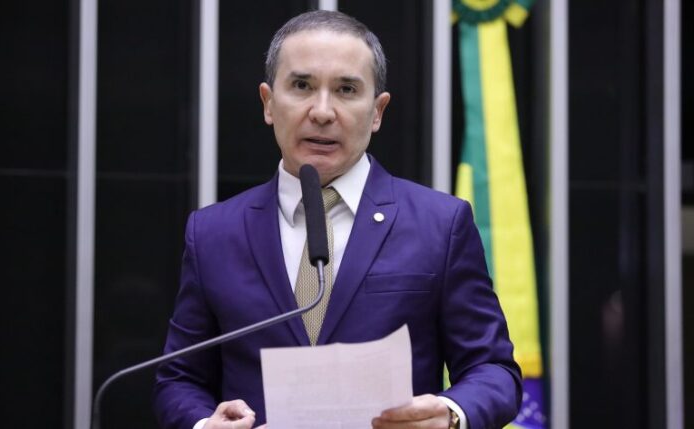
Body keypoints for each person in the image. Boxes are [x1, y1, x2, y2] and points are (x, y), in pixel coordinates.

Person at [153, 10, 521, 429]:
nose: (323, 111)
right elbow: (178, 379)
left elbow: (493, 369)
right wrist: (205, 425)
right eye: (302, 86)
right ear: (268, 103)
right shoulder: (213, 233)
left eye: (346, 89)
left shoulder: (440, 224)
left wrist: (451, 414)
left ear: (377, 111)